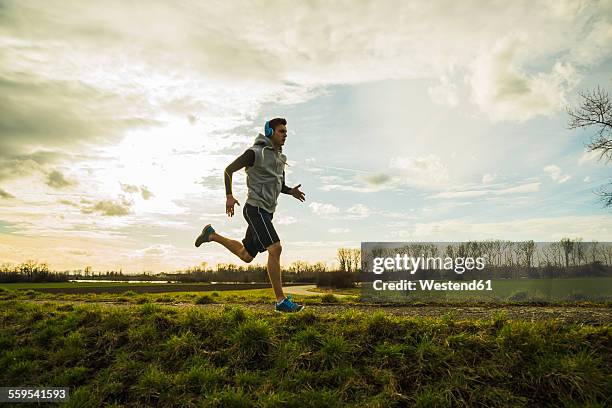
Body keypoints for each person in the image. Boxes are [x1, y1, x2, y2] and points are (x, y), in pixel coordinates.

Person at [195, 118, 306, 313]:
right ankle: (280, 301)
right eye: (281, 131)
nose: (285, 134)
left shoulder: (281, 158)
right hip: (255, 209)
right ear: (269, 132)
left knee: (246, 255)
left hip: (267, 213)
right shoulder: (255, 153)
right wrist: (229, 196)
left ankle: (211, 234)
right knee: (276, 248)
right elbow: (228, 170)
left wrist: (291, 192)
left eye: (286, 132)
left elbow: (279, 186)